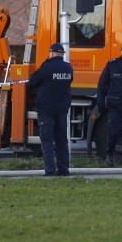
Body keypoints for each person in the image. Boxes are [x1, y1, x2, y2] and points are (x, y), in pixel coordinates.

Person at [27, 42, 74, 176]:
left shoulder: (46, 68)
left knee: (47, 139)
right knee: (61, 139)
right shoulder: (68, 68)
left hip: (47, 109)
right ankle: (64, 169)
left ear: (51, 53)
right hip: (62, 109)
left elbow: (32, 82)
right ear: (62, 54)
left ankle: (50, 170)